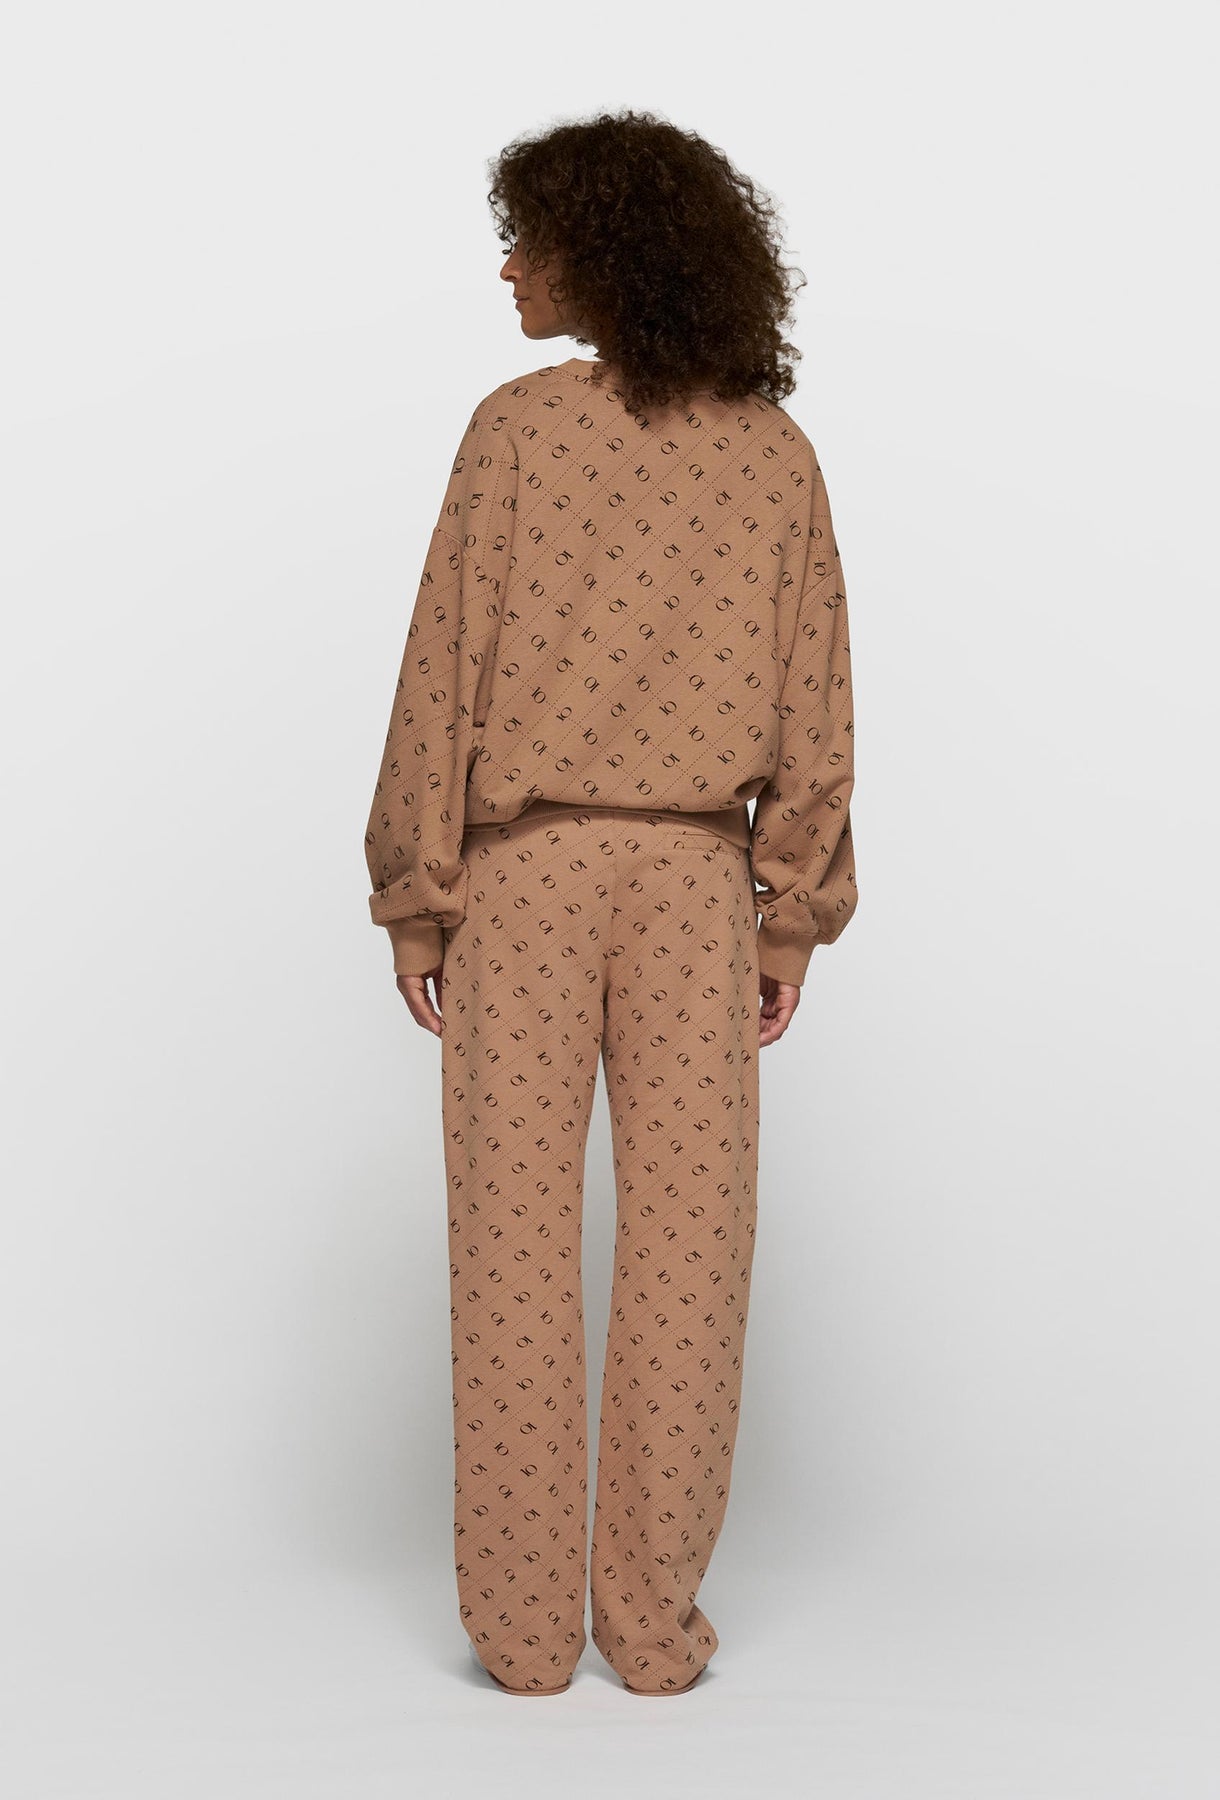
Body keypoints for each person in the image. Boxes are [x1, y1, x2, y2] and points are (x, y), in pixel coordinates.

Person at [362, 108, 859, 1697]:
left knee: (511, 1251)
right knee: (691, 1256)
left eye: (536, 240)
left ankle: (524, 1640)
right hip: (697, 886)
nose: (511, 267)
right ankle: (650, 1630)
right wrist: (786, 911)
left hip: (522, 882)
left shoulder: (515, 431)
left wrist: (417, 891)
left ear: (613, 254)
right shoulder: (773, 453)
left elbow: (441, 669)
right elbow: (817, 707)